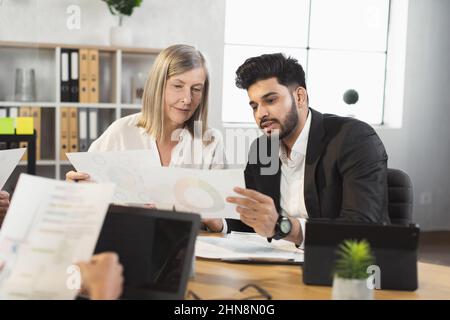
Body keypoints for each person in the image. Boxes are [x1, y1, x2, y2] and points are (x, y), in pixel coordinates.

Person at [206, 53, 390, 246]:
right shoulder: (261, 150)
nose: (261, 114)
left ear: (300, 97)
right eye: (254, 106)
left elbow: (362, 228)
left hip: (342, 267)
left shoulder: (354, 139)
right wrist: (220, 223)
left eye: (270, 100)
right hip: (279, 265)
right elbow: (259, 223)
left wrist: (285, 227)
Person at [66, 44, 226, 184]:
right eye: (178, 86)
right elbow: (85, 191)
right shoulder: (121, 132)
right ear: (157, 86)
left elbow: (224, 213)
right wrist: (75, 187)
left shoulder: (211, 142)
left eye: (196, 89)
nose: (187, 99)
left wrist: (218, 220)